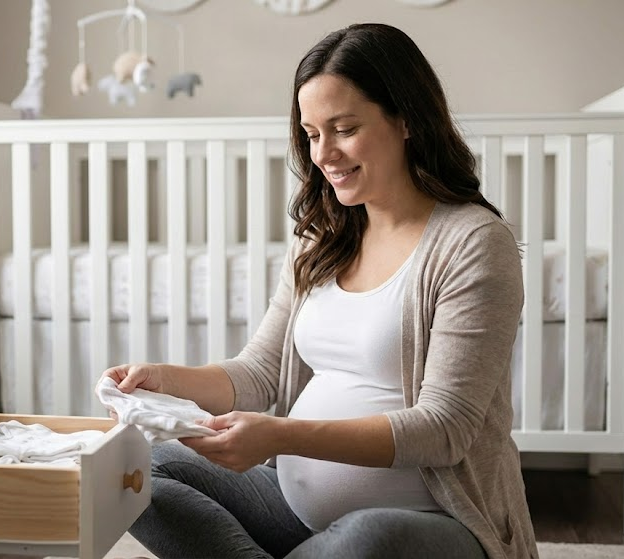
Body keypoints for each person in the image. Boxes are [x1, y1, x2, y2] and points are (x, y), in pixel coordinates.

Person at [100, 23, 538, 559]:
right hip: (294, 510)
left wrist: (282, 436)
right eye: (311, 134)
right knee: (146, 467)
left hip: (432, 523)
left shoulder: (472, 242)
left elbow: (444, 430)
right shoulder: (321, 237)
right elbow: (259, 373)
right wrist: (162, 380)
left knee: (365, 540)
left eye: (344, 128)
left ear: (405, 119)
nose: (323, 154)